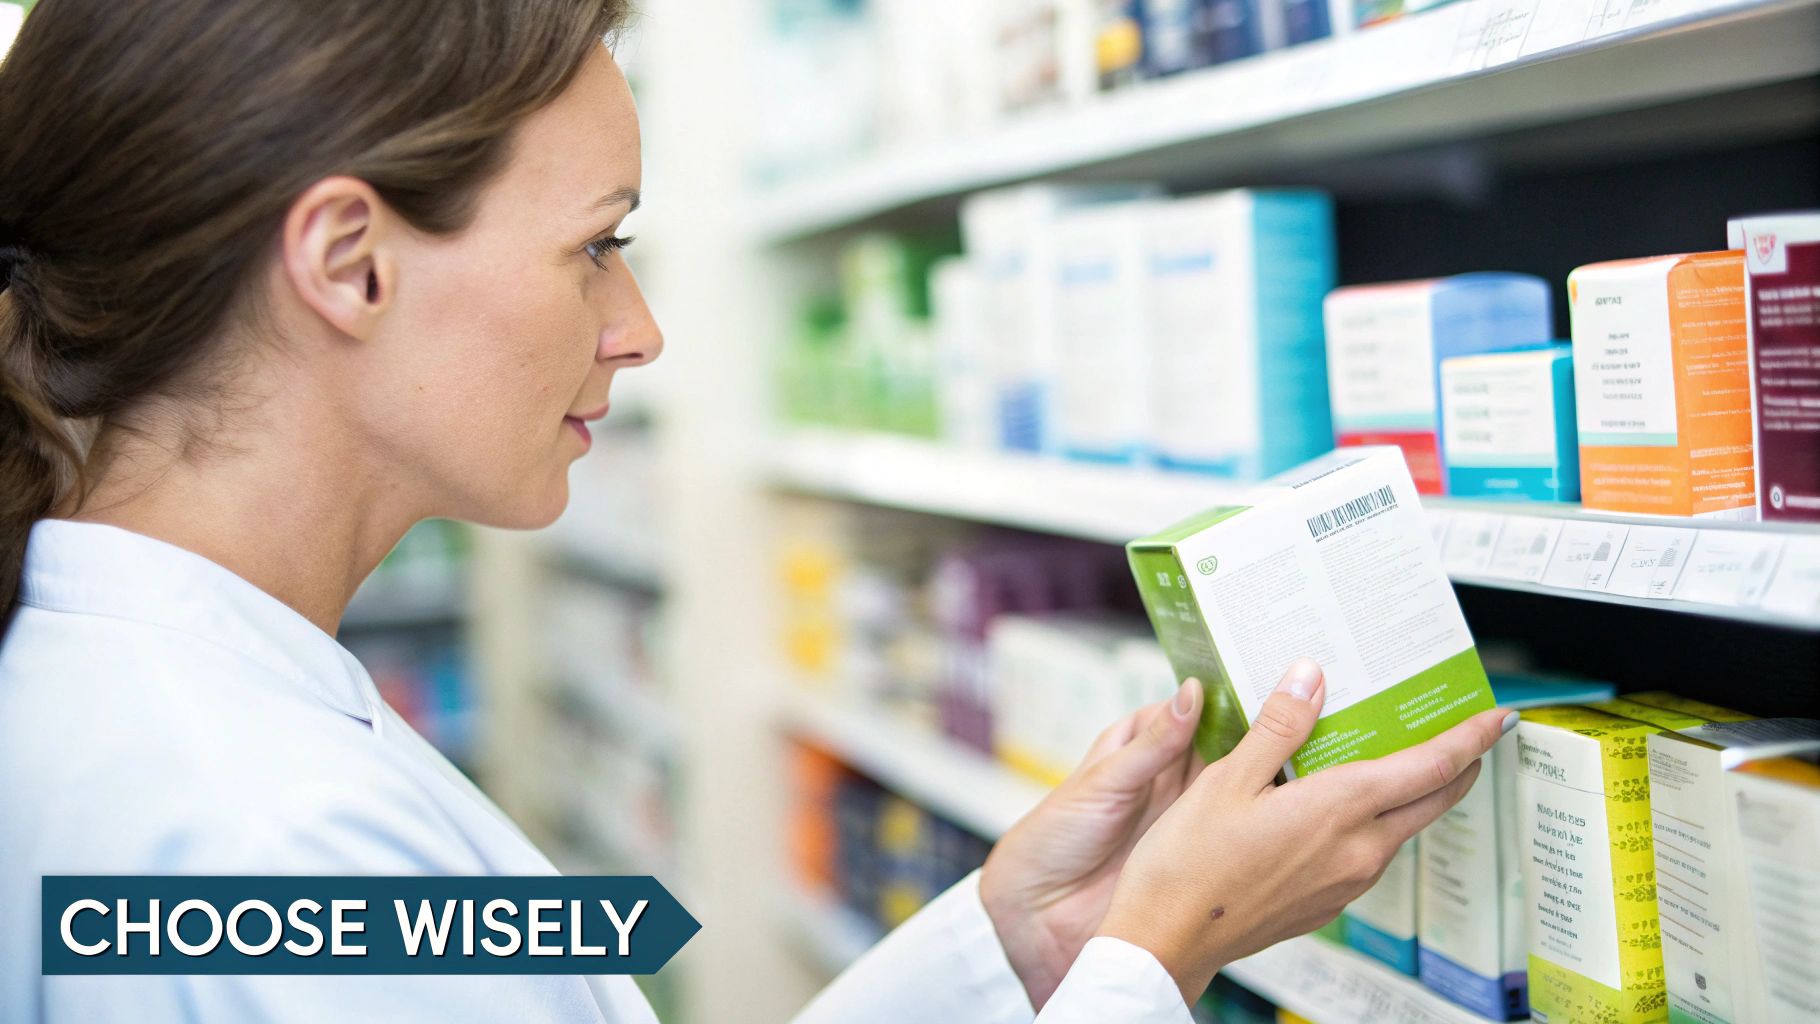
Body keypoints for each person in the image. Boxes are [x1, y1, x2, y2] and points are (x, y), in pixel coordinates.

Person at [0, 2, 1513, 1021]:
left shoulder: (188, 705)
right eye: (597, 247)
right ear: (348, 262)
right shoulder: (262, 838)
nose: (640, 325)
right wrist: (1152, 960)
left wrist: (1029, 942)